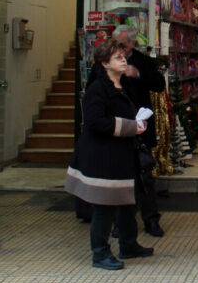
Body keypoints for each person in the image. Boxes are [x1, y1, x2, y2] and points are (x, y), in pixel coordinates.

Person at [65, 40, 155, 270]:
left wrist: (138, 123)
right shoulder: (98, 88)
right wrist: (130, 127)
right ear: (105, 63)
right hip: (104, 157)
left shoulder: (124, 84)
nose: (124, 60)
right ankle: (100, 253)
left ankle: (128, 244)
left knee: (127, 202)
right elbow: (95, 121)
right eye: (117, 58)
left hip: (123, 155)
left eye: (123, 57)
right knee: (104, 207)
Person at [112, 25, 166, 237]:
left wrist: (139, 74)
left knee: (145, 176)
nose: (119, 49)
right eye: (116, 45)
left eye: (123, 45)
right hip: (117, 126)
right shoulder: (108, 61)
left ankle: (151, 220)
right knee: (119, 177)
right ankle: (121, 222)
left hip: (140, 127)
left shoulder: (143, 61)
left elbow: (159, 84)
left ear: (132, 44)